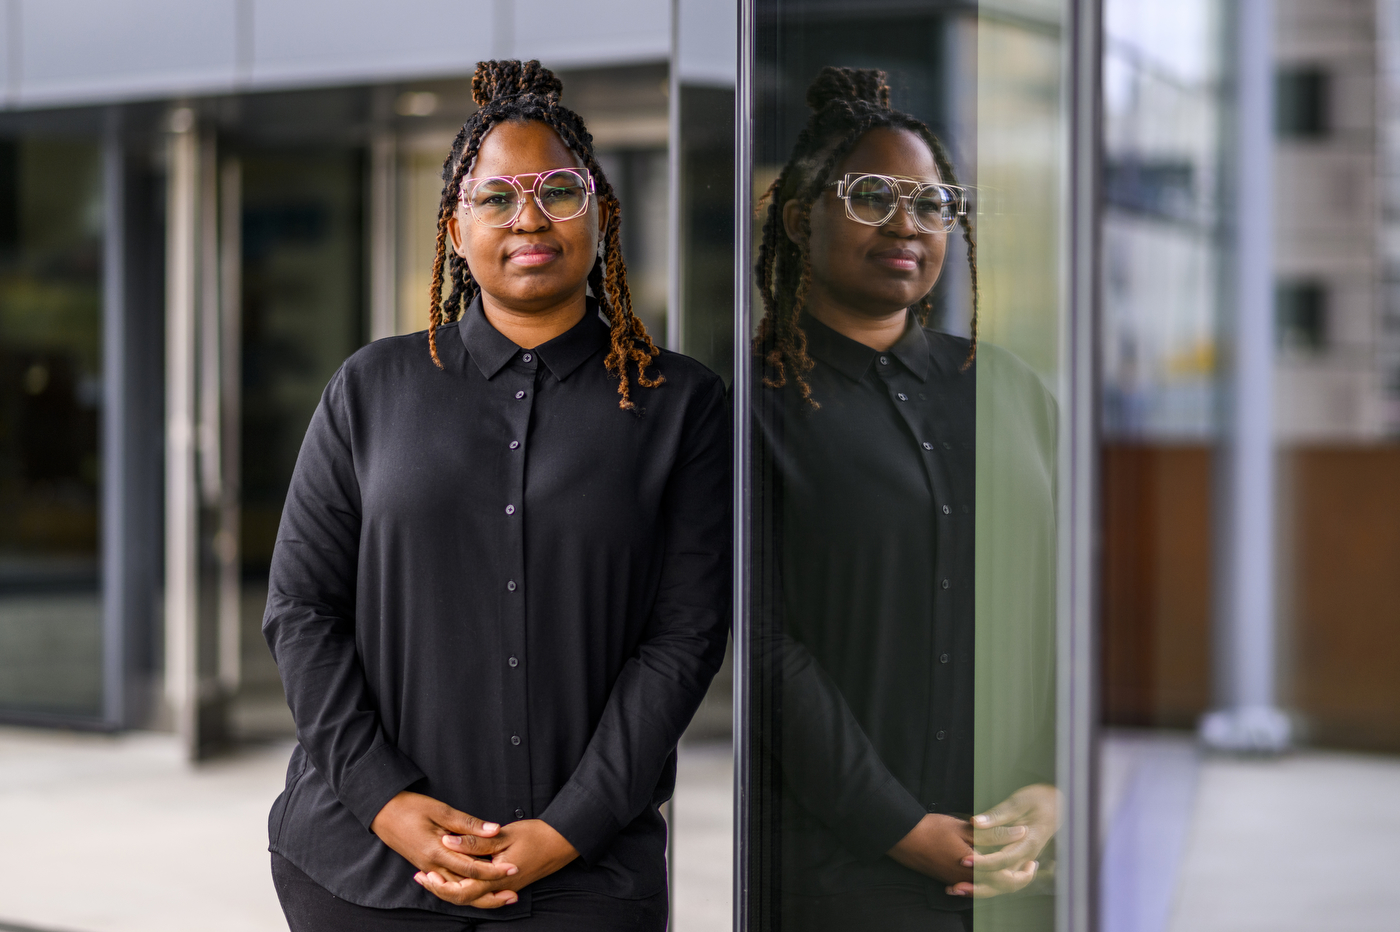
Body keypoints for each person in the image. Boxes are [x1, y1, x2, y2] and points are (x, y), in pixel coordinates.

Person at [263, 60, 730, 931]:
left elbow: (685, 638)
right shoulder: (369, 387)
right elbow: (300, 611)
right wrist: (386, 803)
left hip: (585, 876)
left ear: (601, 212)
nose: (530, 217)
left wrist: (567, 828)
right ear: (455, 224)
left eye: (559, 190)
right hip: (360, 864)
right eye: (497, 197)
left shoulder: (684, 405)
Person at [749, 67, 1059, 932]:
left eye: (932, 204)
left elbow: (1073, 598)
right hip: (837, 870)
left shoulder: (1008, 388)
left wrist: (1052, 784)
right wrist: (899, 826)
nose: (907, 225)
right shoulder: (748, 406)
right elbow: (768, 645)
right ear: (802, 213)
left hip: (1023, 856)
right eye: (872, 195)